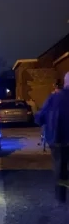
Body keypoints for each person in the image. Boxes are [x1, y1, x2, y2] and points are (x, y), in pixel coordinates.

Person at [35, 72, 69, 202]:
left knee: (60, 166)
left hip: (57, 139)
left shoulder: (54, 98)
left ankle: (61, 196)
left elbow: (40, 117)